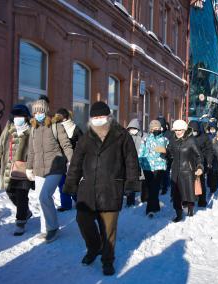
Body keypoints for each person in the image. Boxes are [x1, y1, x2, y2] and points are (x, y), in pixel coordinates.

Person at [63, 101, 140, 276]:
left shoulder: (121, 135)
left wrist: (131, 184)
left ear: (108, 117)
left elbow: (131, 161)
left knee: (108, 229)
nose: (98, 120)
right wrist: (71, 184)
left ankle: (107, 260)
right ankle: (93, 247)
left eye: (101, 117)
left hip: (111, 187)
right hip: (88, 189)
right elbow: (76, 162)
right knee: (82, 220)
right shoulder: (86, 137)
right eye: (95, 117)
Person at [26, 96, 73, 243]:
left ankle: (52, 228)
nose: (37, 114)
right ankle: (45, 229)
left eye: (40, 111)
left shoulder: (56, 126)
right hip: (39, 169)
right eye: (35, 112)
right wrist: (29, 168)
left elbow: (66, 145)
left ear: (46, 111)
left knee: (44, 196)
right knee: (41, 199)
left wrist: (72, 161)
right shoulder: (33, 129)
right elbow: (31, 151)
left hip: (56, 167)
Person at [0, 104, 34, 236]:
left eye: (21, 116)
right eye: (16, 116)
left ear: (26, 117)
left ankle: (20, 222)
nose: (18, 118)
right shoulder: (8, 129)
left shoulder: (32, 130)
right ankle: (25, 212)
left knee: (21, 195)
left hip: (25, 169)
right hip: (9, 169)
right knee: (10, 192)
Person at [167, 120, 203, 222]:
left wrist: (200, 167)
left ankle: (190, 209)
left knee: (189, 192)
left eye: (180, 130)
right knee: (176, 194)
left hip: (188, 171)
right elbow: (170, 152)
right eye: (176, 130)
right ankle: (178, 214)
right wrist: (164, 153)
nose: (177, 132)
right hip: (175, 171)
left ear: (184, 129)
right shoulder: (172, 139)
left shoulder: (191, 140)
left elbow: (199, 156)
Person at [53, 108, 83, 212]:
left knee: (72, 183)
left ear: (64, 117)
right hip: (59, 160)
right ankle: (66, 205)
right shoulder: (55, 127)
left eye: (58, 116)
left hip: (72, 160)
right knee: (61, 183)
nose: (56, 118)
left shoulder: (75, 128)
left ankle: (80, 201)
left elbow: (83, 144)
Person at [138, 120, 169, 218]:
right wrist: (140, 163)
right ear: (150, 129)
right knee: (151, 188)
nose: (155, 130)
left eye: (157, 128)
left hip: (159, 167)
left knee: (155, 188)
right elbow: (141, 152)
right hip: (147, 167)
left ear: (160, 129)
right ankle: (156, 206)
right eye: (153, 128)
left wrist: (166, 152)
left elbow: (169, 152)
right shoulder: (146, 139)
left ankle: (150, 209)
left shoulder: (164, 139)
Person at [189, 120, 213, 207]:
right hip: (189, 163)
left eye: (195, 130)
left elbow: (209, 150)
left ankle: (202, 200)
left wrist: (209, 162)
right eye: (192, 130)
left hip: (201, 162)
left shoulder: (205, 137)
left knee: (201, 181)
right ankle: (191, 198)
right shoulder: (187, 137)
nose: (194, 132)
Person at [126, 118, 147, 206]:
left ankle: (144, 199)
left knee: (143, 181)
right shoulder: (126, 136)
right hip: (130, 163)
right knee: (131, 182)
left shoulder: (144, 136)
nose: (132, 130)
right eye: (131, 129)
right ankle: (130, 202)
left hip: (142, 161)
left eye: (134, 128)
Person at [157, 117, 173, 195]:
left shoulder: (169, 134)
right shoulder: (156, 133)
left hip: (166, 157)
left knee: (165, 173)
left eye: (161, 126)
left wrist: (165, 151)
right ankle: (159, 186)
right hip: (157, 157)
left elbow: (170, 145)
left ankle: (164, 188)